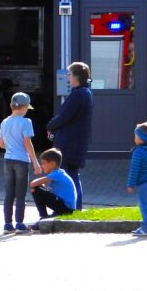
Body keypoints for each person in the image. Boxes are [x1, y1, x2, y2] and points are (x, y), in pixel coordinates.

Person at [46, 61, 93, 210]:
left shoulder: (79, 94)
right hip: (75, 143)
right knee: (73, 175)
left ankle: (70, 206)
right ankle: (75, 206)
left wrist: (50, 126)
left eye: (70, 74)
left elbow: (64, 116)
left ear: (77, 77)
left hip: (70, 143)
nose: (67, 77)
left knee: (67, 176)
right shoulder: (83, 93)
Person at [0, 92, 41, 235]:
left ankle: (7, 224)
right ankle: (19, 223)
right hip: (21, 161)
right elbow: (27, 143)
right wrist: (35, 162)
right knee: (21, 193)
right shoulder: (26, 122)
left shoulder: (4, 122)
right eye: (26, 109)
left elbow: (1, 144)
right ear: (23, 107)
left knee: (9, 193)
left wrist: (12, 146)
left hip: (8, 160)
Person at [126, 122, 147, 237]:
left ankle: (146, 228)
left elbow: (134, 169)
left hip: (144, 185)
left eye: (136, 135)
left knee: (145, 206)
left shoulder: (138, 152)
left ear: (142, 138)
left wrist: (130, 184)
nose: (134, 138)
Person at [30, 148, 76, 220]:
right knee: (39, 188)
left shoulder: (56, 174)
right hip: (67, 207)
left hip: (66, 208)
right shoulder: (59, 172)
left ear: (52, 164)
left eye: (43, 163)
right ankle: (49, 215)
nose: (42, 166)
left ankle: (43, 216)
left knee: (35, 189)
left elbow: (32, 184)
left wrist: (40, 183)